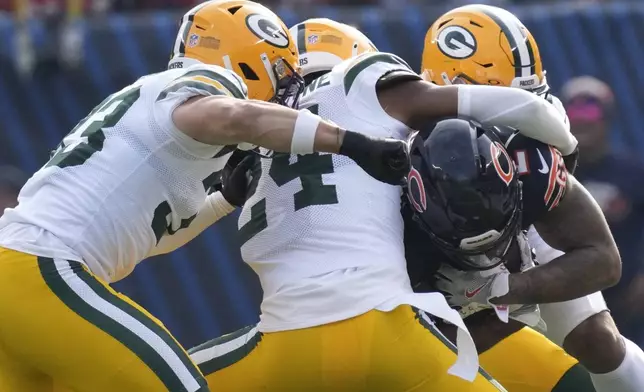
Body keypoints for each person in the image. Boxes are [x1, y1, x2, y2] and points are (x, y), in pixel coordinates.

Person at [0, 1, 410, 391]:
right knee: (181, 384)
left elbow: (152, 238)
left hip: (21, 271)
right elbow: (234, 114)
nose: (285, 91)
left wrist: (223, 200)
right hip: (44, 268)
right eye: (281, 73)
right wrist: (350, 143)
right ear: (250, 56)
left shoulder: (154, 111)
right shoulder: (213, 84)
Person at [188, 16, 575, 391]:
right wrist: (566, 157)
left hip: (284, 348)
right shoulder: (362, 84)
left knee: (162, 374)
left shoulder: (255, 155)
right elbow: (531, 109)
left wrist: (223, 199)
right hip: (398, 330)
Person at [417, 5, 644, 392]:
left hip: (521, 241)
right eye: (502, 99)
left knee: (598, 340)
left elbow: (603, 260)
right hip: (429, 269)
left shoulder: (529, 150)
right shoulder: (401, 139)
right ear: (451, 85)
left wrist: (507, 289)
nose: (520, 115)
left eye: (527, 99)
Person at [561, 76, 644, 346]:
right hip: (574, 309)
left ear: (607, 118)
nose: (582, 119)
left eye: (591, 109)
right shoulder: (551, 175)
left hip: (631, 306)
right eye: (574, 110)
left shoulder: (633, 173)